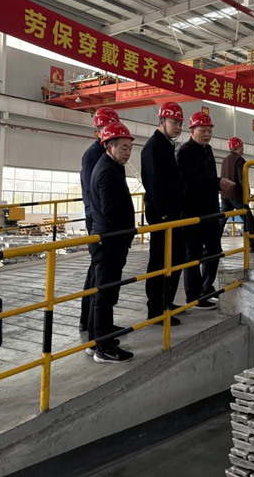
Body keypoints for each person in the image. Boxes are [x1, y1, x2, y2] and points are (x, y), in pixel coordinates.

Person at [88, 122, 137, 363]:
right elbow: (110, 210)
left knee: (104, 292)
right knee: (105, 294)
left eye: (130, 148)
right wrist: (127, 229)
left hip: (109, 240)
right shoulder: (107, 171)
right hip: (109, 241)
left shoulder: (111, 165)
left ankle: (98, 337)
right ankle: (103, 348)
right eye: (123, 148)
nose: (127, 153)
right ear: (109, 146)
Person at [177, 111, 235, 309]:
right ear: (192, 130)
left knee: (214, 250)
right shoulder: (184, 152)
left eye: (209, 131)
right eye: (203, 130)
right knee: (192, 255)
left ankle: (206, 288)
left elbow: (208, 179)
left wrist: (217, 185)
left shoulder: (207, 150)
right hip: (192, 211)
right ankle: (193, 296)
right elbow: (191, 179)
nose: (207, 134)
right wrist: (217, 182)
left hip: (210, 210)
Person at [141, 102, 186, 324]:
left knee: (175, 257)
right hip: (163, 215)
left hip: (172, 213)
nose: (177, 127)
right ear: (161, 121)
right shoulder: (153, 147)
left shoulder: (166, 145)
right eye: (174, 122)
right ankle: (155, 308)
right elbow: (152, 182)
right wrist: (164, 213)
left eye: (180, 123)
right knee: (159, 260)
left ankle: (167, 302)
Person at [79, 107, 121, 332]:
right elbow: (91, 193)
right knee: (98, 271)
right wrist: (98, 224)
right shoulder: (93, 156)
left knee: (102, 272)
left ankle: (98, 323)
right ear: (97, 130)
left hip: (104, 220)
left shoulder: (109, 154)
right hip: (97, 220)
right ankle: (90, 323)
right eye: (106, 127)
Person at [220, 137, 254, 253]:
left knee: (221, 221)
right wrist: (247, 192)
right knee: (249, 219)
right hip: (236, 195)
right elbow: (242, 178)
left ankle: (213, 245)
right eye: (242, 147)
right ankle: (253, 244)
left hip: (225, 195)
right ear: (237, 148)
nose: (243, 150)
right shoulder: (239, 160)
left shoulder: (225, 160)